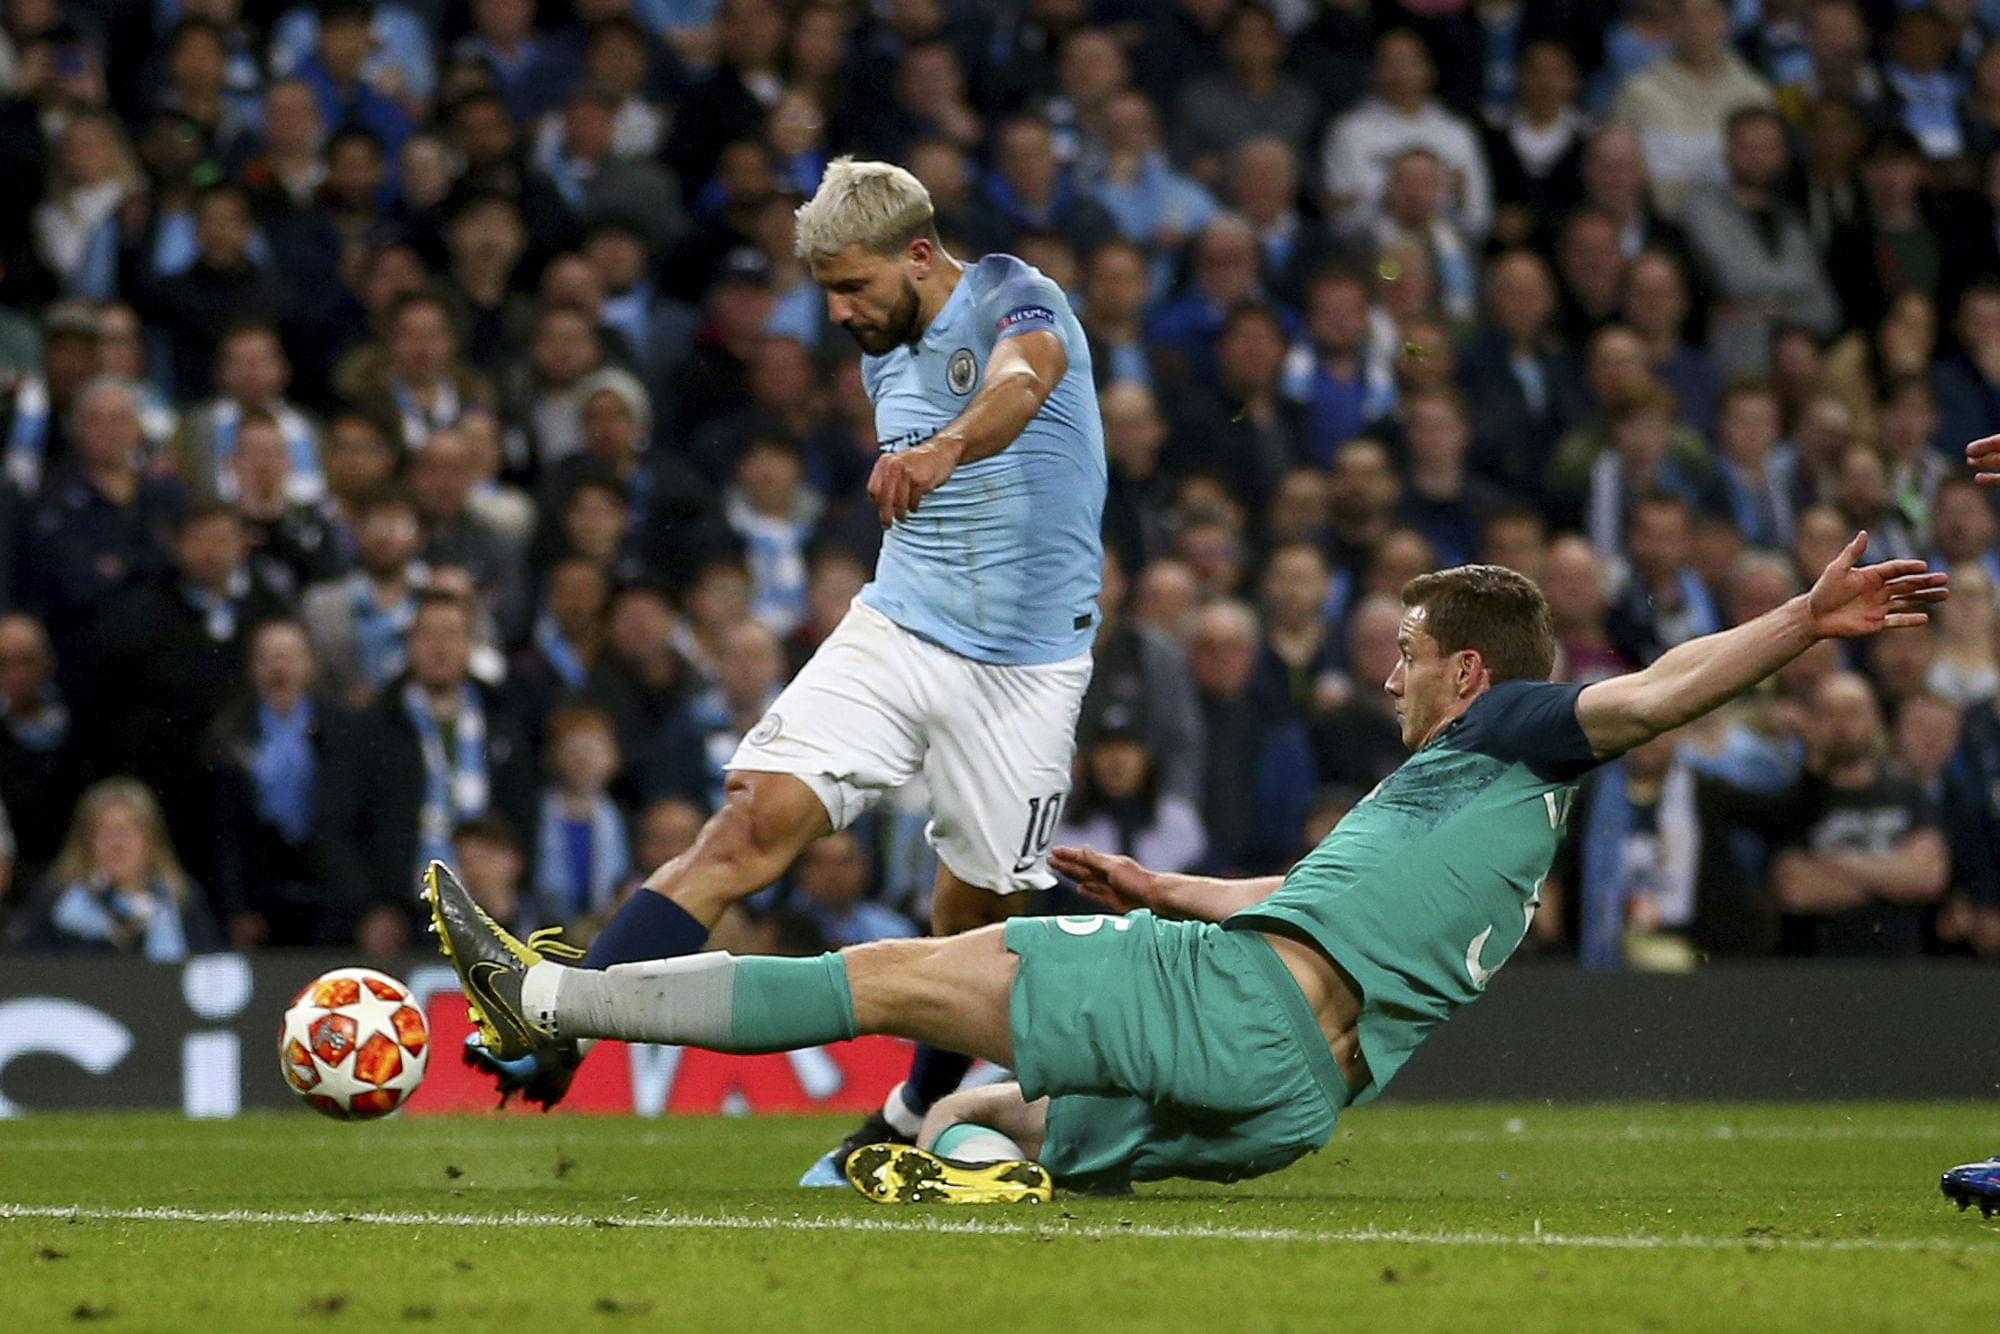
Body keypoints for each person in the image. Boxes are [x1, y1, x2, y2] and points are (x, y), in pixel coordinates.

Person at [428, 531, 1941, 1202]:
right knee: (971, 1105)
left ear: (1472, 672)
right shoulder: (1453, 810)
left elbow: (1659, 686)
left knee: (897, 976)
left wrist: (1798, 624)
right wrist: (1164, 889)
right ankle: (960, 1169)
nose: (1391, 673)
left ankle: (554, 994)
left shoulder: (1526, 728)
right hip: (1290, 1102)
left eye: (1410, 653)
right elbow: (1309, 910)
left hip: (1238, 1014)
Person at [462, 157, 1107, 1185]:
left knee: (971, 920)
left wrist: (944, 448)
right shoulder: (878, 342)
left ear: (919, 254)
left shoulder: (1012, 293)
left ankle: (906, 1109)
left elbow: (1021, 379)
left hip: (1024, 670)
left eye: (856, 287)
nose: (842, 312)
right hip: (899, 624)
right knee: (746, 823)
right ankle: (560, 1020)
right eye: (826, 294)